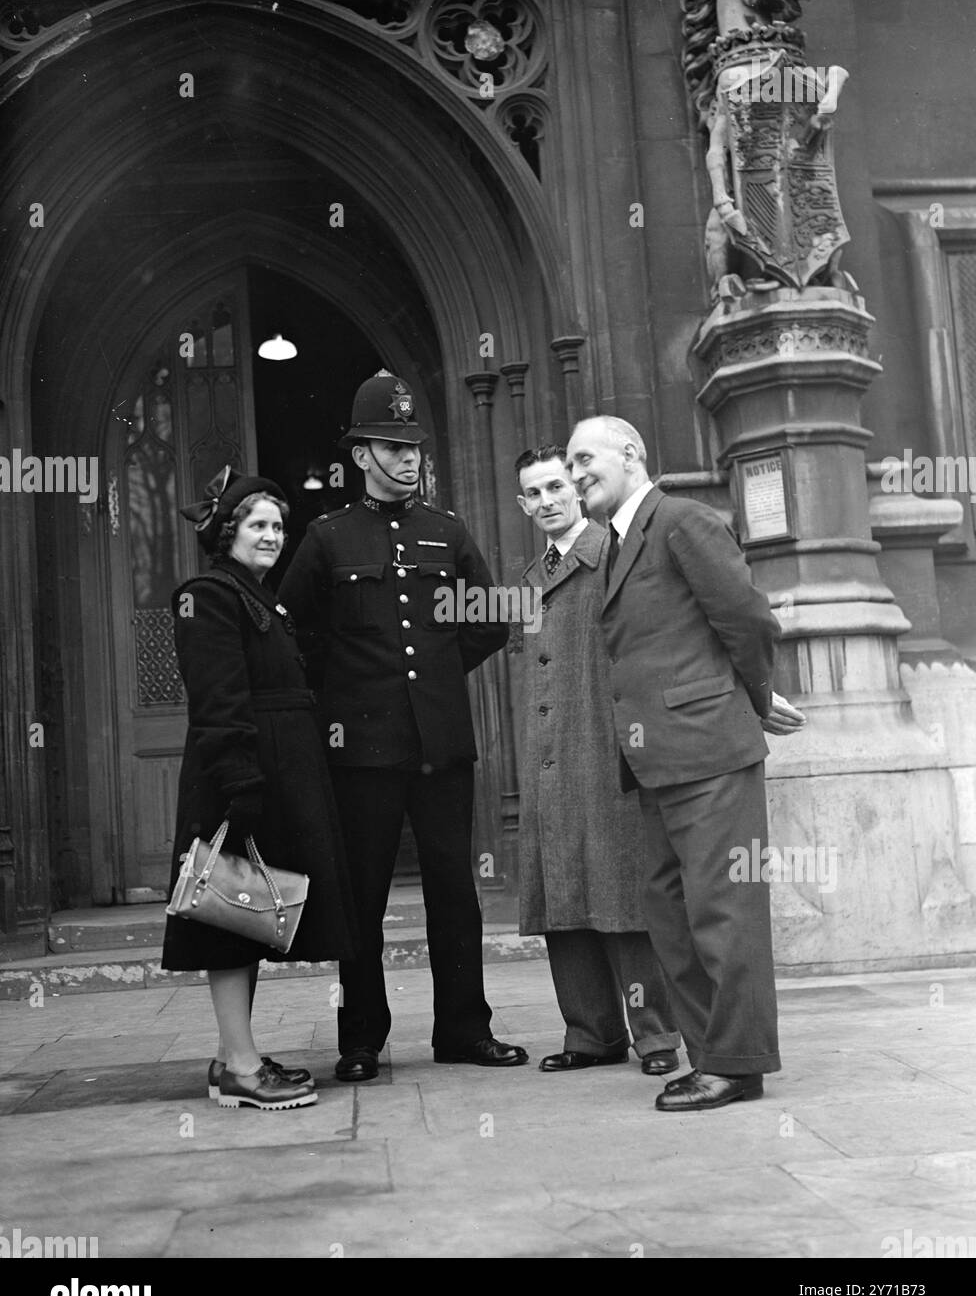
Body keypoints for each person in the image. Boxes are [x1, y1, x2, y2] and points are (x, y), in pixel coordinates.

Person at [278, 371, 527, 1081]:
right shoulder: (327, 538)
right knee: (362, 898)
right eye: (392, 445)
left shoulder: (446, 531)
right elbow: (295, 635)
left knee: (456, 891)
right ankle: (361, 1039)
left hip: (441, 745)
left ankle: (463, 1030)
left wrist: (441, 679)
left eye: (414, 444)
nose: (409, 458)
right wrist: (345, 699)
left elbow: (487, 620)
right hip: (361, 750)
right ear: (361, 455)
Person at [566, 415, 806, 1112]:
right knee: (669, 915)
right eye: (571, 465)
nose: (578, 474)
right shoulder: (615, 542)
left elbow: (747, 619)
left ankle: (736, 1063)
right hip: (654, 760)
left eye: (587, 459)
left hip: (708, 750)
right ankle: (711, 1056)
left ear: (631, 453)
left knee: (723, 912)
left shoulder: (683, 520)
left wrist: (754, 698)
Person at [161, 465, 359, 1111]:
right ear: (228, 533)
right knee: (228, 915)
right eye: (257, 525)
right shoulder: (208, 595)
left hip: (277, 771)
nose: (272, 535)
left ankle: (232, 1057)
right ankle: (242, 1069)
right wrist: (240, 781)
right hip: (240, 773)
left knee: (247, 915)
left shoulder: (258, 598)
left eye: (278, 525)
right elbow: (218, 698)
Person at [514, 446, 681, 1075]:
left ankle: (657, 1036)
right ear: (523, 504)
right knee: (563, 891)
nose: (548, 501)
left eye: (556, 486)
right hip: (550, 756)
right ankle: (590, 1033)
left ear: (578, 488)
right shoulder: (530, 580)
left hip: (608, 749)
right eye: (534, 493)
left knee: (622, 892)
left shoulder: (614, 555)